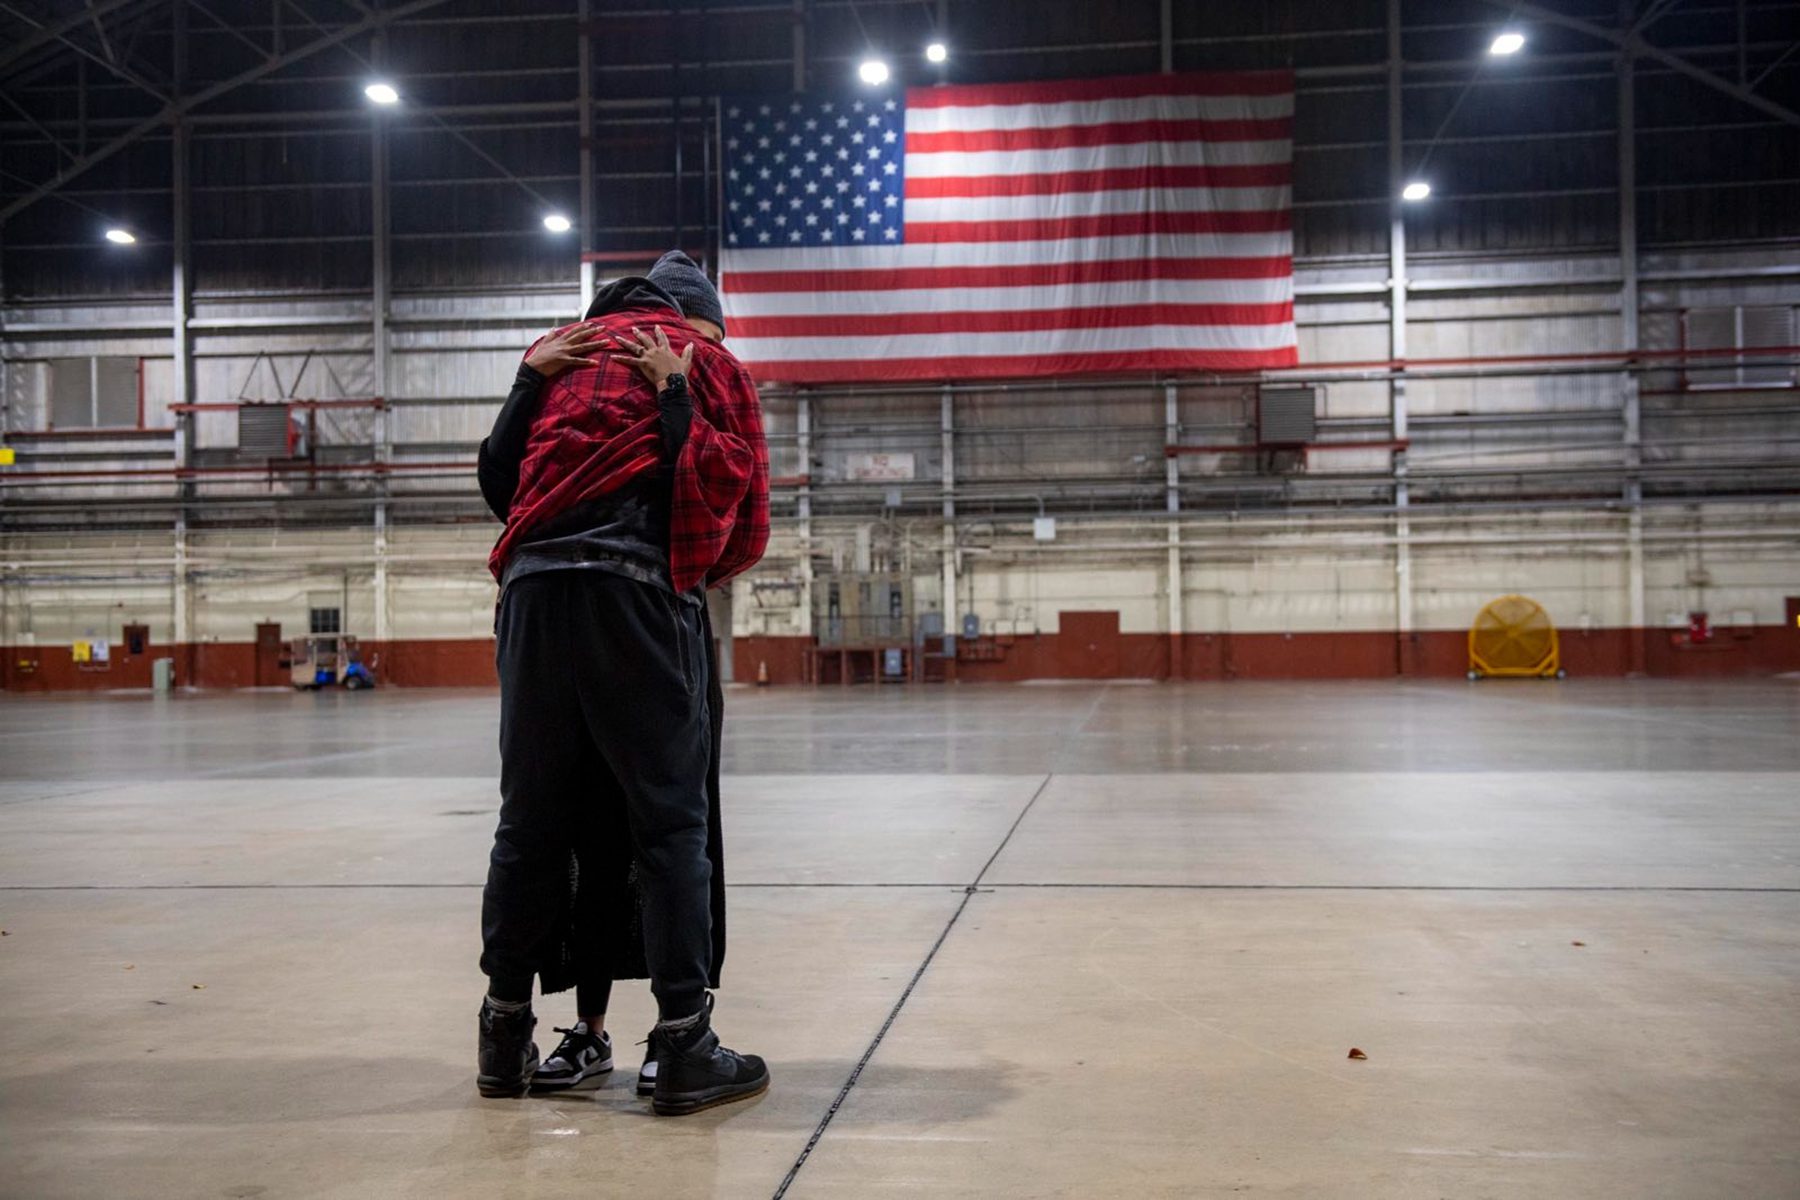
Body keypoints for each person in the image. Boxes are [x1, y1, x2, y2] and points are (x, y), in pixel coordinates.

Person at [473, 251, 771, 1117]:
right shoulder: (705, 361)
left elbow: (502, 485)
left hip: (532, 599)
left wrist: (525, 389)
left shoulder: (555, 354)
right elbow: (735, 507)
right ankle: (683, 1044)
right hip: (636, 598)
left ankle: (503, 1034)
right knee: (671, 822)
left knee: (528, 824)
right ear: (698, 318)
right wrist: (677, 398)